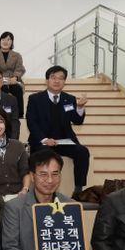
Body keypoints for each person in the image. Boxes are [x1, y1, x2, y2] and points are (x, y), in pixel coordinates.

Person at [26, 65, 89, 194]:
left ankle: (78, 189)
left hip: (64, 141)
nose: (57, 81)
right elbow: (31, 122)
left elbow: (77, 121)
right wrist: (45, 139)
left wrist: (80, 107)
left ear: (64, 82)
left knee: (82, 152)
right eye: (53, 77)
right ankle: (45, 189)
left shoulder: (69, 99)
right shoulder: (35, 99)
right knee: (47, 155)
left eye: (61, 78)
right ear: (47, 80)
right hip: (43, 142)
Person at [0, 31, 26, 117]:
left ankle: (19, 115)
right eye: (3, 39)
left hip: (13, 80)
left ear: (12, 42)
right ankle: (4, 113)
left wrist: (15, 77)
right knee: (3, 88)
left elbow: (20, 68)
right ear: (0, 41)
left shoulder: (17, 55)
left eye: (8, 39)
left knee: (17, 88)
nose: (5, 41)